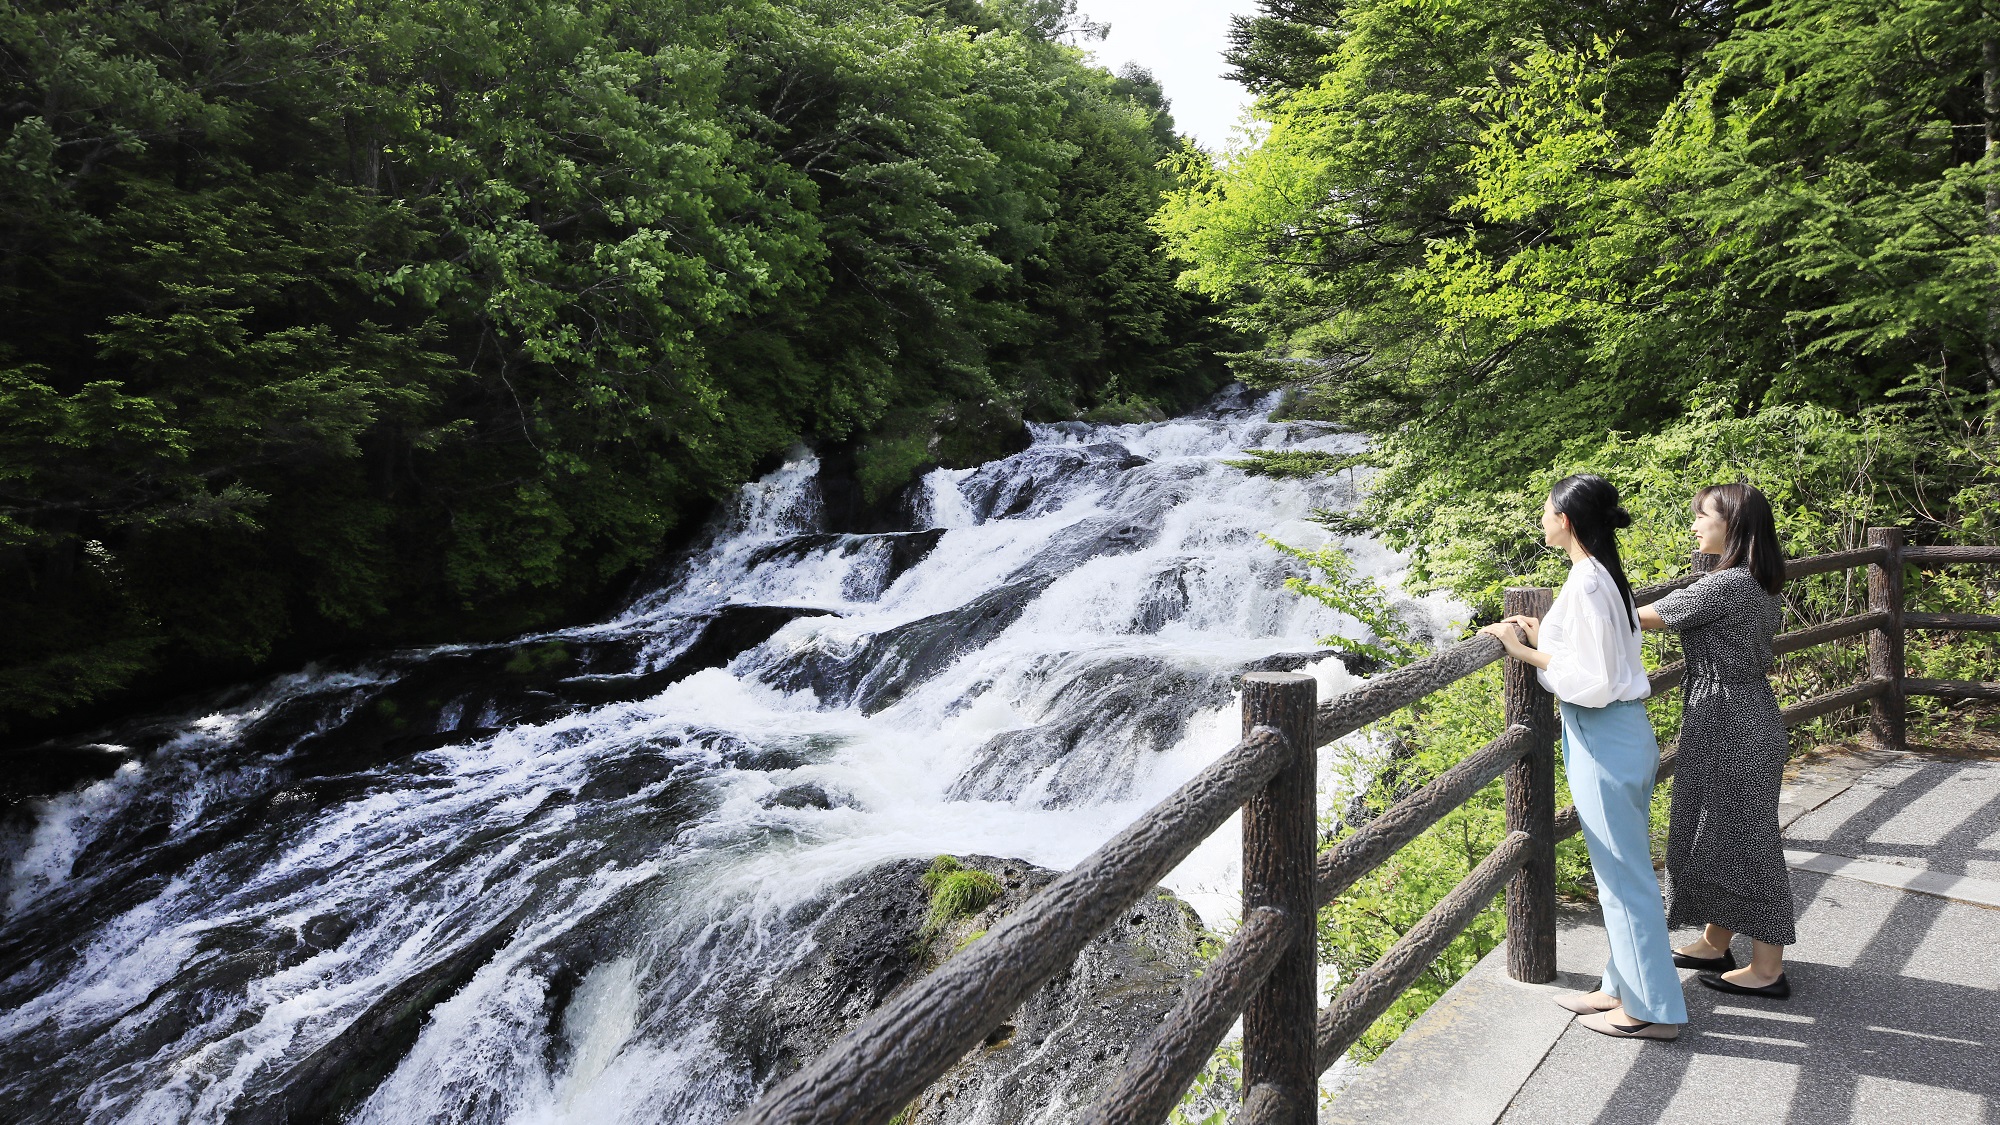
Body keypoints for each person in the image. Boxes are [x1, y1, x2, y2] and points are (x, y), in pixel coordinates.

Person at [1480, 474, 1687, 1040]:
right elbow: (1599, 651)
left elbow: (1592, 678)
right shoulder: (1599, 576)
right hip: (1617, 734)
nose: (1541, 518)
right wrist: (1545, 631)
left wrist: (1524, 652)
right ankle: (1619, 985)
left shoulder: (1590, 582)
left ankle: (1653, 1010)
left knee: (1626, 877)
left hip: (1603, 732)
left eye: (1546, 509)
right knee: (1615, 870)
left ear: (1566, 520)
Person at [1636, 483, 1795, 999]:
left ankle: (1768, 968)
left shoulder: (1729, 585)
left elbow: (1644, 617)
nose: (1695, 525)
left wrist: (1558, 616)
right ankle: (1715, 939)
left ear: (1732, 524)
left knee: (1748, 839)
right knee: (1715, 830)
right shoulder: (1744, 578)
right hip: (1733, 716)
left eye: (1702, 516)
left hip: (1734, 722)